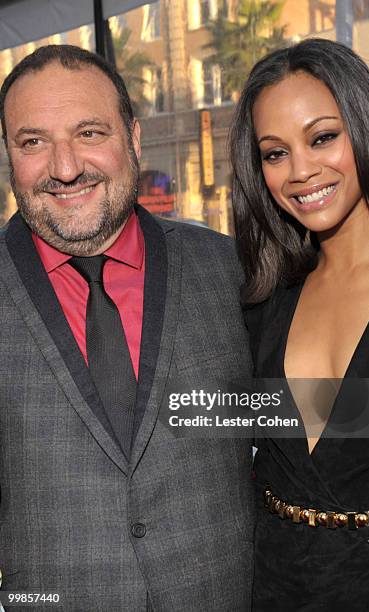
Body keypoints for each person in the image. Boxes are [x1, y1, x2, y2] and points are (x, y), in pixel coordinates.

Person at [0, 45, 254, 611]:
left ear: (134, 139)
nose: (65, 167)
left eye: (90, 133)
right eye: (33, 141)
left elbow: (299, 417)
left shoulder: (226, 270)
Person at [230, 38, 369, 611]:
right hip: (276, 584)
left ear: (365, 128)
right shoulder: (264, 298)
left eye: (322, 137)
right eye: (274, 153)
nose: (300, 171)